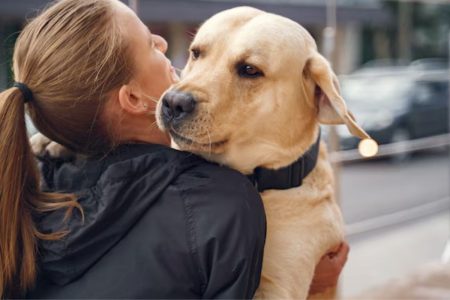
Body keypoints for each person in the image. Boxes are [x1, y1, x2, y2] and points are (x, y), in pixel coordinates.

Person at [0, 0, 348, 298]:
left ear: (319, 97)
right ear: (132, 98)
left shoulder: (30, 173)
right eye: (198, 54)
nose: (166, 44)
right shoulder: (223, 203)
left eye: (247, 70)